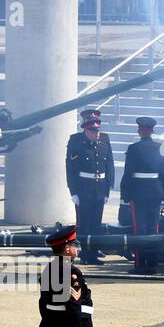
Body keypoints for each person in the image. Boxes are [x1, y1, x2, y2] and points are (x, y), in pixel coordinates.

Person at [120, 116, 164, 273]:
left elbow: (128, 173)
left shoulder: (134, 148)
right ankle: (153, 262)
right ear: (152, 131)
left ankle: (141, 264)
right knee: (152, 228)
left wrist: (125, 194)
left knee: (139, 229)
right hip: (156, 191)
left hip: (139, 192)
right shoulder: (161, 148)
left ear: (140, 131)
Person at [65, 110, 114, 256]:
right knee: (85, 223)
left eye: (97, 129)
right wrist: (73, 191)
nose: (96, 133)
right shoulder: (76, 141)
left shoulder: (104, 139)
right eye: (93, 130)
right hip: (84, 188)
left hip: (99, 187)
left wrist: (107, 189)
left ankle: (94, 248)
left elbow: (109, 164)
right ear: (85, 129)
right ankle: (86, 253)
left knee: (96, 222)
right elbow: (71, 168)